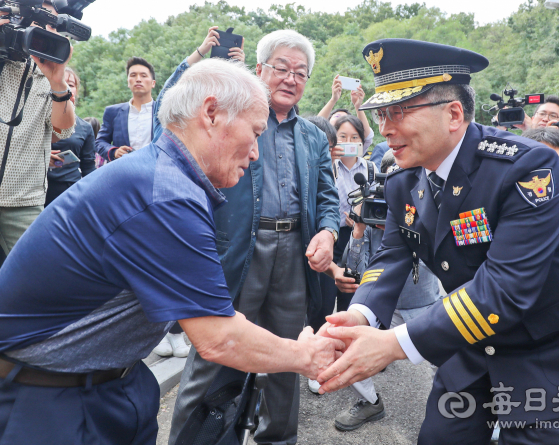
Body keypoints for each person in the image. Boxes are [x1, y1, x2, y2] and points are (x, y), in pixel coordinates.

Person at [0, 58, 343, 445]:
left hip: (112, 380)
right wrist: (306, 356)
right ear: (211, 113)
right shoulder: (164, 194)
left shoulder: (167, 175)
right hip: (48, 397)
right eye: (255, 133)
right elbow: (219, 338)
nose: (256, 154)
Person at [314, 38, 559, 445]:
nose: (385, 128)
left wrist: (394, 344)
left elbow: (505, 288)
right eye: (381, 113)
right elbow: (392, 254)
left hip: (552, 346)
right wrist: (361, 315)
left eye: (399, 112)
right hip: (472, 340)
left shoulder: (526, 166)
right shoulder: (404, 178)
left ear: (454, 113)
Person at [169, 29, 340, 445]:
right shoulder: (234, 118)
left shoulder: (315, 135)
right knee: (214, 354)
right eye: (281, 67)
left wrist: (329, 232)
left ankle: (277, 439)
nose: (290, 78)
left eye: (300, 72)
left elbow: (327, 196)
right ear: (259, 68)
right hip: (235, 250)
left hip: (294, 254)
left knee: (287, 355)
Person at [150, 26, 246, 359]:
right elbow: (167, 96)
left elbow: (246, 117)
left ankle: (178, 329)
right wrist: (201, 51)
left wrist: (241, 72)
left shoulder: (230, 132)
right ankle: (164, 327)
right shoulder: (171, 124)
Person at [328, 149, 441, 431]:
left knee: (455, 361)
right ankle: (370, 402)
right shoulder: (368, 212)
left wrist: (410, 222)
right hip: (382, 308)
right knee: (346, 345)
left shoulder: (428, 207)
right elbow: (354, 271)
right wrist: (358, 231)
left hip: (423, 305)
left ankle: (458, 407)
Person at [0, 1, 76, 262]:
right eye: (37, 20)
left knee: (37, 279)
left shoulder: (49, 74)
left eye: (51, 24)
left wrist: (58, 82)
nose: (44, 29)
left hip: (24, 200)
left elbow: (63, 131)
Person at [306, 114, 377, 393]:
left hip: (358, 239)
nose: (348, 143)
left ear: (363, 141)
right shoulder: (326, 166)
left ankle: (350, 360)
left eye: (354, 138)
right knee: (322, 305)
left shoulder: (370, 169)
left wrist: (360, 219)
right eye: (342, 138)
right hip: (329, 240)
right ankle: (317, 363)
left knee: (352, 302)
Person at [45, 67, 96, 206]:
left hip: (70, 190)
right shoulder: (36, 120)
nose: (65, 87)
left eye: (71, 84)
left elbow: (88, 167)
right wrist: (41, 156)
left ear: (76, 91)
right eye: (61, 82)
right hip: (37, 189)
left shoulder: (85, 127)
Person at [95, 57, 156, 162]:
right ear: (128, 82)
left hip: (155, 171)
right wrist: (114, 152)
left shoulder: (163, 111)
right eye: (133, 75)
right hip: (123, 172)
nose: (138, 79)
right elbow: (99, 142)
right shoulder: (113, 112)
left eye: (143, 75)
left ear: (153, 83)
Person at [319, 75, 375, 161]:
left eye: (345, 117)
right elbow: (315, 128)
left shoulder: (357, 148)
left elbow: (367, 136)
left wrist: (358, 106)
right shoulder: (324, 146)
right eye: (337, 116)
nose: (342, 120)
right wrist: (333, 99)